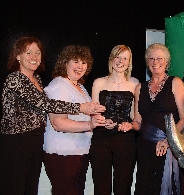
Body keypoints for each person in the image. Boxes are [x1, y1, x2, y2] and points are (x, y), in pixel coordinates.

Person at [0, 36, 105, 195]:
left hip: (35, 139)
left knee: (30, 188)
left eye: (38, 53)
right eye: (29, 53)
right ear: (17, 56)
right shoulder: (15, 79)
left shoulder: (37, 80)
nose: (34, 57)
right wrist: (81, 108)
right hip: (17, 140)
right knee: (14, 187)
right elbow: (47, 105)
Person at [43, 45, 105, 195]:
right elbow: (58, 123)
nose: (80, 66)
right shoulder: (59, 86)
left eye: (84, 63)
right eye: (75, 61)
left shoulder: (80, 87)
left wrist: (99, 120)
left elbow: (85, 113)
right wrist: (89, 124)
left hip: (79, 151)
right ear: (65, 63)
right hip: (62, 153)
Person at [132, 43, 184, 195]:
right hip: (145, 148)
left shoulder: (175, 83)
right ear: (147, 62)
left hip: (167, 146)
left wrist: (170, 140)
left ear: (166, 62)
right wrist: (127, 125)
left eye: (159, 58)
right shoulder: (139, 88)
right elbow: (137, 122)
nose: (155, 62)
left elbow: (183, 118)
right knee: (146, 187)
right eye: (151, 58)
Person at [90, 45, 139, 195]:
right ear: (111, 59)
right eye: (118, 56)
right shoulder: (98, 82)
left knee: (123, 185)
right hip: (101, 138)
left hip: (125, 139)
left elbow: (135, 116)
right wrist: (102, 121)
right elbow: (94, 113)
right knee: (101, 185)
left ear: (129, 62)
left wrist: (129, 125)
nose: (120, 61)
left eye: (125, 58)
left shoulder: (135, 83)